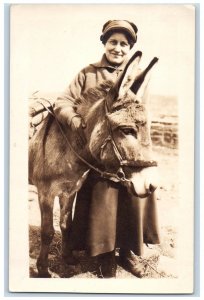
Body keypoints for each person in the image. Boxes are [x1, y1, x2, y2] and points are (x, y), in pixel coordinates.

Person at [54, 20, 160, 278]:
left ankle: (127, 253)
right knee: (102, 200)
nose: (118, 48)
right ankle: (103, 256)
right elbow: (62, 102)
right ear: (104, 43)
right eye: (113, 42)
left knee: (135, 198)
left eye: (124, 44)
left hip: (128, 151)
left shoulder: (137, 77)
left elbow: (142, 117)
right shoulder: (88, 73)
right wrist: (74, 119)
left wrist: (142, 151)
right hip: (99, 155)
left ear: (130, 48)